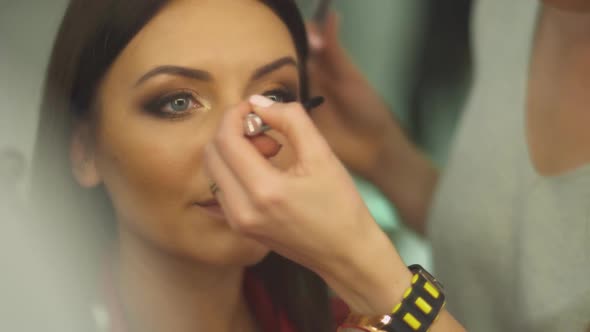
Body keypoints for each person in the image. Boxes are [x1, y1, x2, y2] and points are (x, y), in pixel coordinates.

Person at [205, 1, 590, 332]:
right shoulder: (512, 11)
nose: (229, 138)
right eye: (177, 103)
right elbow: (535, 244)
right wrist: (385, 156)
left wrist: (367, 273)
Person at [30, 0, 353, 331]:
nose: (239, 145)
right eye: (177, 103)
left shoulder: (364, 320)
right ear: (83, 150)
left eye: (273, 98)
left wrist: (370, 269)